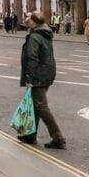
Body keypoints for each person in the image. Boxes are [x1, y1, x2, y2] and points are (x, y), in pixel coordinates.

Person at [19, 11, 65, 149]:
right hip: (47, 73)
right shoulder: (45, 33)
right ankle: (30, 135)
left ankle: (57, 137)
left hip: (38, 75)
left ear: (33, 21)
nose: (26, 19)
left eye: (28, 18)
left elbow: (32, 58)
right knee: (35, 104)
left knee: (41, 106)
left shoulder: (34, 37)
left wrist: (29, 77)